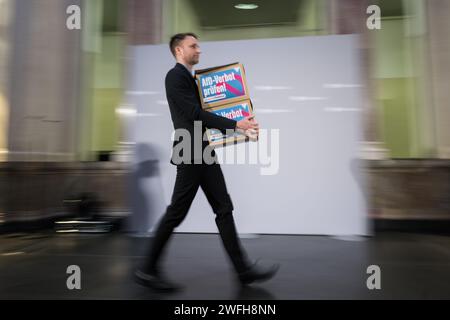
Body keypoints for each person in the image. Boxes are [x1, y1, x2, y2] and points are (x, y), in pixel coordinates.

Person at [135, 33, 279, 292]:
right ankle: (147, 269)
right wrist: (237, 124)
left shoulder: (189, 79)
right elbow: (194, 114)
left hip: (203, 150)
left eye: (198, 45)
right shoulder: (175, 76)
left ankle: (243, 271)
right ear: (179, 50)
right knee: (176, 213)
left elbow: (204, 113)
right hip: (190, 152)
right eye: (193, 46)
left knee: (223, 208)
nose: (198, 50)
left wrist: (237, 125)